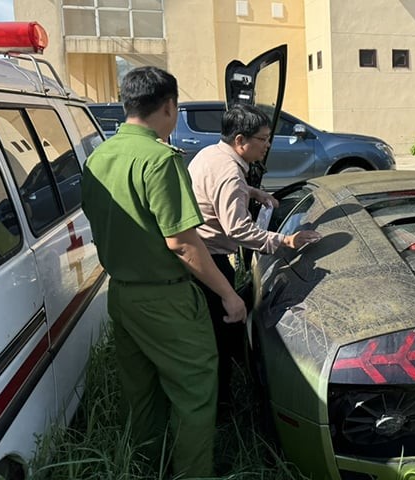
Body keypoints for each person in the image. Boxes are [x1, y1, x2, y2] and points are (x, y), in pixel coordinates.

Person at [81, 66, 246, 477]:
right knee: (194, 393)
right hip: (166, 298)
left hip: (121, 295)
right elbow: (184, 244)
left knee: (142, 394)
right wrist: (228, 293)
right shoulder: (159, 159)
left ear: (126, 105)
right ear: (169, 106)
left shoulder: (98, 157)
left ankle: (145, 466)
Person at [188, 103, 321, 407]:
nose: (268, 145)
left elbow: (218, 191)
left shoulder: (211, 154)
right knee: (221, 338)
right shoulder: (230, 174)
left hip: (199, 255)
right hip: (212, 262)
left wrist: (253, 192)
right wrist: (285, 240)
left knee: (220, 333)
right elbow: (238, 230)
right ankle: (221, 407)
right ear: (240, 140)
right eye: (263, 139)